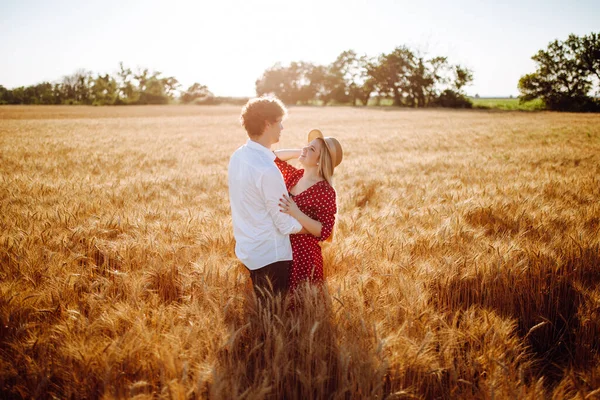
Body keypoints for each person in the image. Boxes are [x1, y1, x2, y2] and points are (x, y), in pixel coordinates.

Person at [228, 96, 304, 297]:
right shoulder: (268, 170)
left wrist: (299, 152)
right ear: (267, 123)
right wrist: (317, 228)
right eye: (280, 122)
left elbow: (271, 156)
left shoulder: (239, 156)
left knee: (264, 317)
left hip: (249, 250)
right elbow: (285, 224)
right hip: (272, 255)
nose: (282, 128)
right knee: (275, 317)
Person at [275, 129, 343, 291]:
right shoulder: (295, 175)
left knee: (300, 307)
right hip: (281, 249)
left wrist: (295, 212)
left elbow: (324, 231)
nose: (305, 148)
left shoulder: (324, 190)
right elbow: (272, 157)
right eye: (307, 145)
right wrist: (303, 152)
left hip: (303, 256)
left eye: (312, 149)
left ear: (321, 160)